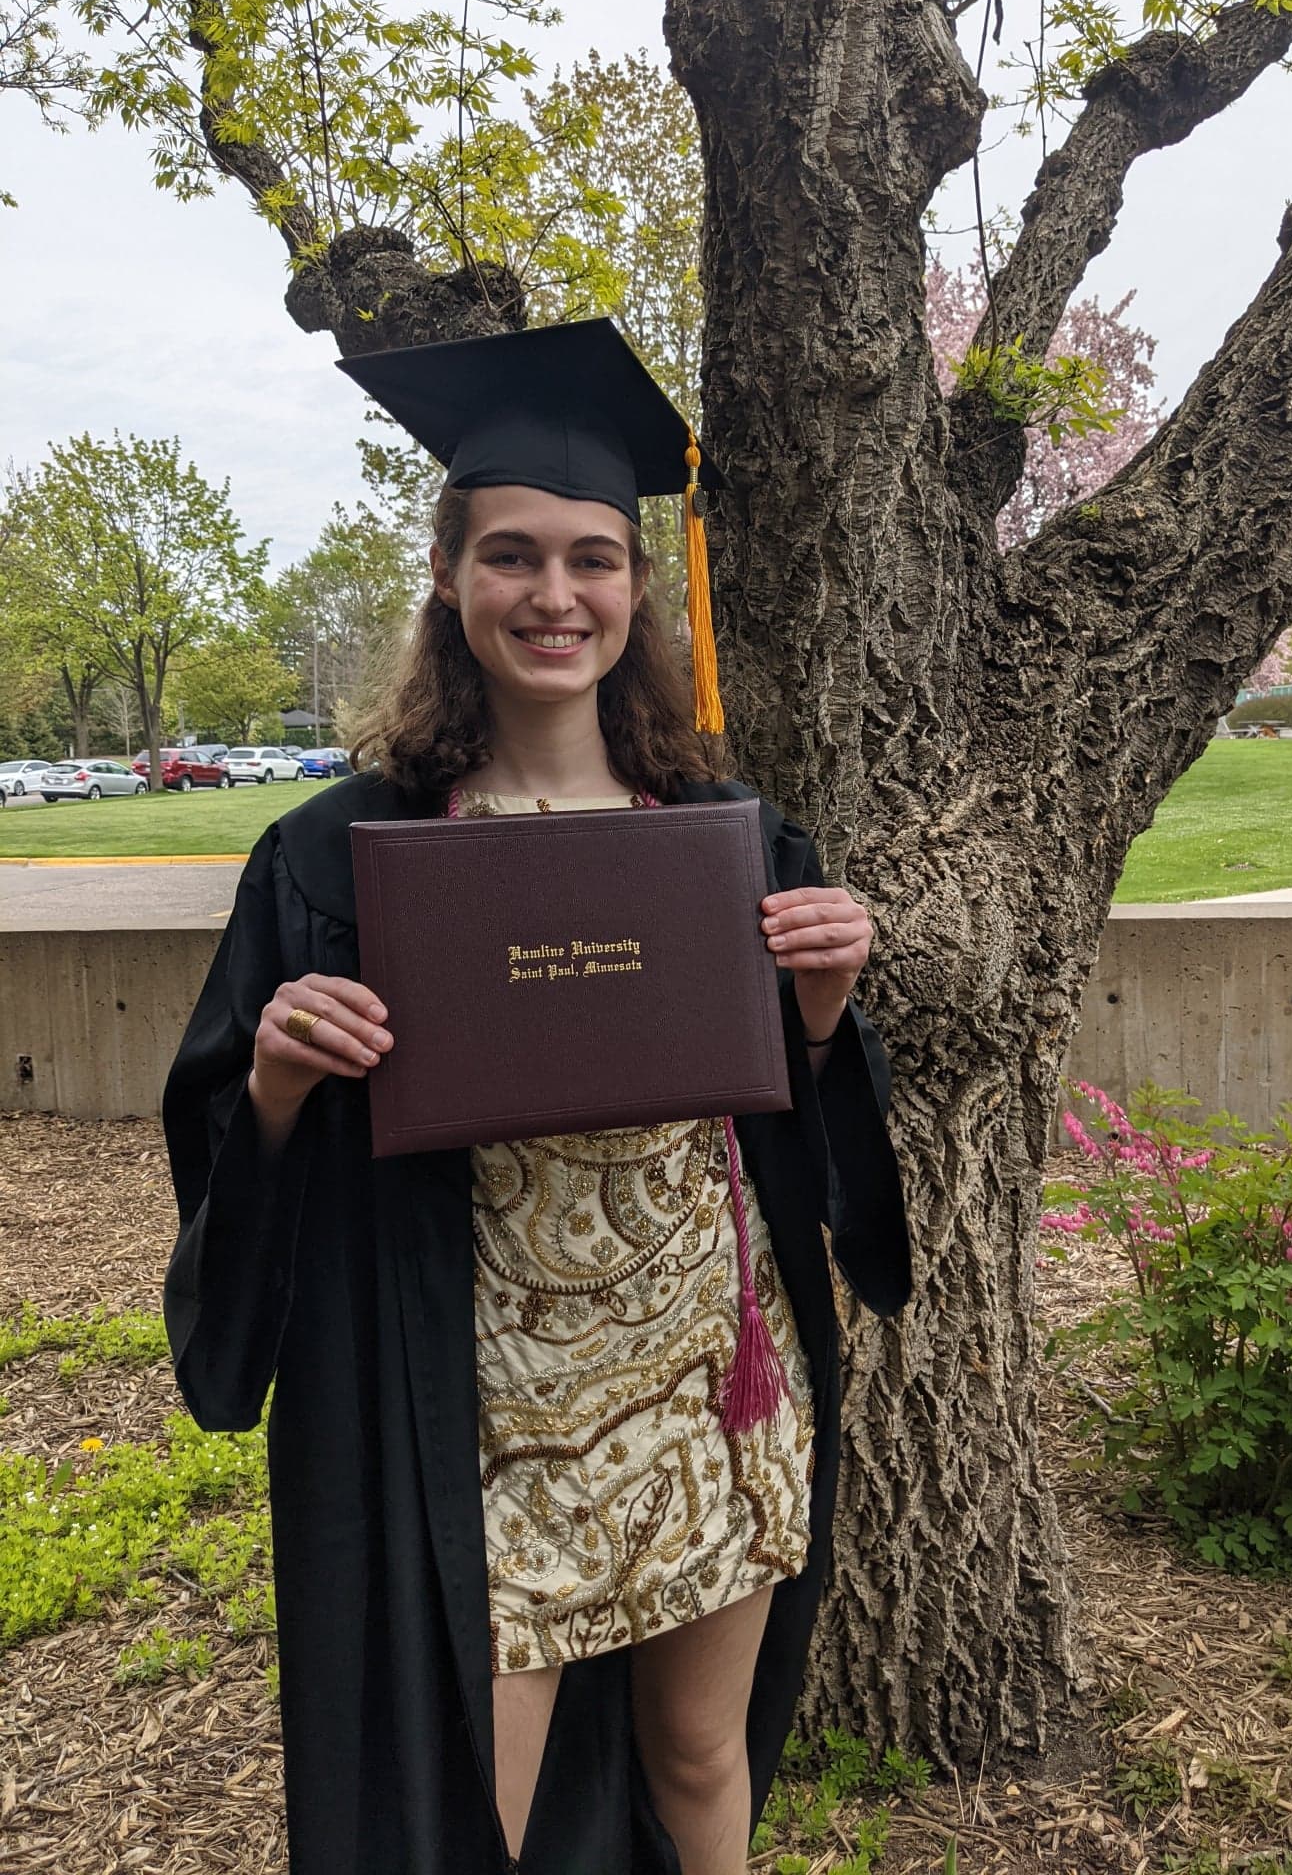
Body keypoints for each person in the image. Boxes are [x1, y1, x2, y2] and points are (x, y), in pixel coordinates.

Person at [161, 319, 911, 1875]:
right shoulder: (332, 858)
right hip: (478, 1413)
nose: (554, 596)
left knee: (704, 1756)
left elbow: (797, 1118)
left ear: (637, 593)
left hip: (710, 1378)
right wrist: (285, 1075)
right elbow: (231, 1133)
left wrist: (827, 1017)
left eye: (592, 560)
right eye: (512, 557)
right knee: (461, 1804)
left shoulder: (725, 835)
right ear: (448, 577)